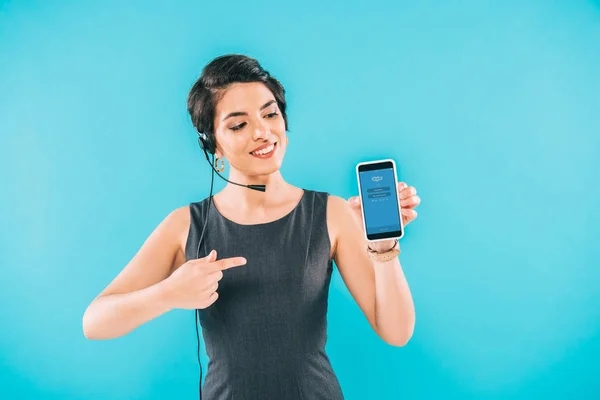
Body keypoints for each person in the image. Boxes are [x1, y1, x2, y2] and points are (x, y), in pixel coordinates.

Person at [82, 54, 420, 399]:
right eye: (238, 125)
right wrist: (169, 293)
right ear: (212, 145)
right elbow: (95, 322)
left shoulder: (330, 213)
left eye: (270, 114)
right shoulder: (186, 225)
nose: (262, 132)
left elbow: (396, 331)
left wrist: (383, 247)